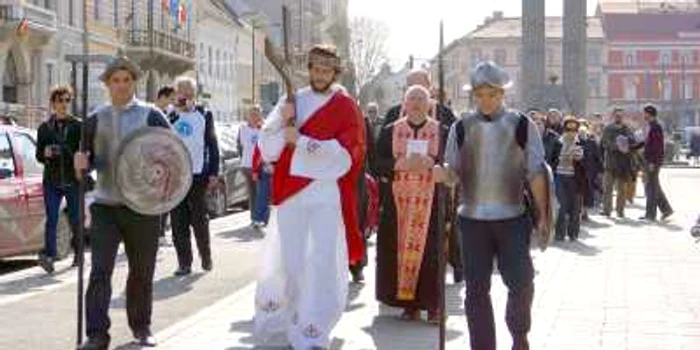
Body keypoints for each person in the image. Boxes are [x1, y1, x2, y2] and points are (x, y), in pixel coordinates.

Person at [253, 45, 365, 350]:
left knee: (322, 261)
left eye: (326, 70)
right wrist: (282, 122)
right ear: (309, 69)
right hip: (291, 193)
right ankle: (292, 324)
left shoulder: (345, 107)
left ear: (334, 72)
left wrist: (301, 141)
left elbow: (346, 156)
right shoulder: (293, 101)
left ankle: (315, 329)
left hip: (324, 193)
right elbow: (268, 147)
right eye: (316, 69)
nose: (320, 75)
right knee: (292, 261)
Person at [440, 61, 552, 350]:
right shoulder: (461, 127)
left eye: (492, 94)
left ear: (502, 94)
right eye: (480, 95)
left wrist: (543, 218)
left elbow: (536, 172)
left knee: (521, 282)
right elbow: (453, 173)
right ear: (473, 95)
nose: (486, 100)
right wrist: (443, 173)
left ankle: (519, 334)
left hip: (512, 217)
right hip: (472, 219)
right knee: (476, 291)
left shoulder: (522, 125)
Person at [75, 56, 171, 350]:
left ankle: (141, 327)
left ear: (134, 82)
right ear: (107, 84)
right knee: (100, 271)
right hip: (106, 204)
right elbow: (84, 165)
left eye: (126, 80)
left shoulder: (152, 115)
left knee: (141, 271)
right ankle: (96, 334)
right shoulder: (95, 118)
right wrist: (80, 164)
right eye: (115, 80)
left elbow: (171, 157)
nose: (121, 86)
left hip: (143, 207)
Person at [374, 85, 449, 323]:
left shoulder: (442, 130)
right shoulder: (390, 131)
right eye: (412, 98)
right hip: (398, 202)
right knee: (399, 251)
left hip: (431, 202)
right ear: (404, 103)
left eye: (421, 99)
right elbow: (375, 162)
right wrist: (398, 165)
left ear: (429, 104)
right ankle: (410, 305)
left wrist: (434, 162)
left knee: (432, 254)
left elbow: (454, 162)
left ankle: (434, 306)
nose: (416, 103)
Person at [168, 76, 220, 276]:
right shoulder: (170, 115)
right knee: (178, 221)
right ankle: (184, 263)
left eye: (190, 93)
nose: (186, 97)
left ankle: (205, 256)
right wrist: (176, 112)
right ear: (176, 94)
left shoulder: (204, 114)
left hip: (198, 174)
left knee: (199, 219)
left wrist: (214, 172)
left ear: (195, 95)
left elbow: (212, 145)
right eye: (182, 93)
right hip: (175, 176)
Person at [35, 85, 82, 273]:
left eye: (67, 100)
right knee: (52, 218)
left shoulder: (78, 126)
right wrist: (45, 153)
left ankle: (78, 254)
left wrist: (81, 165)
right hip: (52, 181)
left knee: (75, 219)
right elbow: (38, 155)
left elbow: (85, 151)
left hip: (72, 180)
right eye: (59, 100)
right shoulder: (45, 128)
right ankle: (50, 256)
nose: (63, 104)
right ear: (53, 103)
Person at [600, 108, 638, 218]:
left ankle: (620, 210)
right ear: (613, 116)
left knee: (622, 189)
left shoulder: (627, 129)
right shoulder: (608, 128)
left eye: (620, 116)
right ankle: (607, 210)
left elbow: (633, 141)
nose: (619, 118)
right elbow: (605, 143)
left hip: (623, 163)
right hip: (610, 163)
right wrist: (618, 146)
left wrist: (628, 142)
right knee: (608, 188)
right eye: (617, 116)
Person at [554, 116, 586, 241]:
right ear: (564, 129)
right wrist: (561, 158)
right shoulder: (558, 142)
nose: (571, 132)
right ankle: (559, 233)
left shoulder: (581, 142)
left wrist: (580, 159)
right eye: (568, 129)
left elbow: (587, 164)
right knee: (561, 206)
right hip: (560, 177)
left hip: (575, 179)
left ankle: (573, 233)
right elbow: (551, 160)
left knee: (575, 207)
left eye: (574, 130)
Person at [639, 105, 673, 221]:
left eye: (644, 113)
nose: (643, 115)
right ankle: (666, 210)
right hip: (650, 161)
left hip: (652, 162)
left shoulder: (656, 127)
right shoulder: (652, 126)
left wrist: (652, 162)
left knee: (650, 188)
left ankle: (650, 215)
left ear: (649, 114)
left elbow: (657, 147)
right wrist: (633, 146)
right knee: (655, 187)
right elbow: (647, 143)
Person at [240, 105, 271, 228]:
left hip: (261, 165)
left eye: (256, 114)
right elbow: (243, 144)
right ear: (247, 116)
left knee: (262, 193)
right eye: (251, 114)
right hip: (247, 165)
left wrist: (262, 127)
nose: (254, 116)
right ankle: (254, 218)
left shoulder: (265, 128)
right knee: (252, 193)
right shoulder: (243, 128)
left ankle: (264, 218)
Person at [154, 85, 176, 246]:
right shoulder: (153, 113)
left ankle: (161, 232)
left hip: (168, 161)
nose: (172, 102)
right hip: (155, 161)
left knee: (166, 197)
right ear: (162, 97)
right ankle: (157, 233)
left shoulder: (169, 114)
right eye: (171, 99)